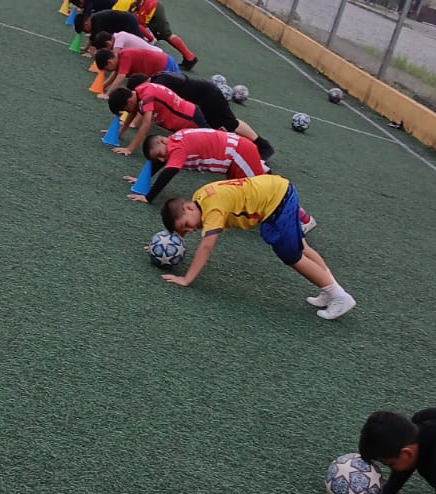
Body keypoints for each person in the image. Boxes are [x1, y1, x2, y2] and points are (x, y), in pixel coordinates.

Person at [158, 175, 355, 320]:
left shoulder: (213, 209)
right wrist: (167, 242)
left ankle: (339, 296)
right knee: (302, 247)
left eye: (186, 225)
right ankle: (331, 290)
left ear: (188, 208)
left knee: (291, 255)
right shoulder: (200, 197)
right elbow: (196, 223)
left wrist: (187, 279)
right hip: (278, 190)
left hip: (276, 202)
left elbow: (207, 246)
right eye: (185, 231)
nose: (190, 230)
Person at [127, 130, 315, 234]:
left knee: (261, 190)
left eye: (160, 154)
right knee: (253, 188)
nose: (162, 159)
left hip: (237, 153)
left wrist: (149, 197)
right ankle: (262, 170)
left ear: (162, 140)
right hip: (233, 156)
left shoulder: (177, 147)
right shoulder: (175, 140)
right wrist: (143, 180)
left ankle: (304, 219)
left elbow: (170, 171)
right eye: (158, 158)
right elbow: (165, 164)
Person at [108, 72, 272, 158]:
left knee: (227, 125)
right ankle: (244, 148)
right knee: (217, 130)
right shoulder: (146, 88)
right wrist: (120, 132)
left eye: (126, 108)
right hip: (195, 104)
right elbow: (136, 112)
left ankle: (261, 145)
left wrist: (130, 148)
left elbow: (145, 122)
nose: (129, 111)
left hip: (207, 95)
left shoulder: (154, 87)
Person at [122, 0, 197, 70]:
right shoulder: (119, 3)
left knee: (166, 35)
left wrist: (150, 39)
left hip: (150, 8)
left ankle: (190, 58)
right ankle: (189, 57)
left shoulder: (118, 9)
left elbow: (138, 26)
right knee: (163, 34)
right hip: (148, 6)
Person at [94, 43, 178, 94]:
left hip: (167, 65)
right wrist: (103, 86)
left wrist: (108, 94)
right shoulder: (121, 56)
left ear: (110, 62)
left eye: (107, 69)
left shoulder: (125, 56)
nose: (109, 71)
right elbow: (116, 74)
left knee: (171, 93)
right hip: (165, 63)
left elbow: (120, 76)